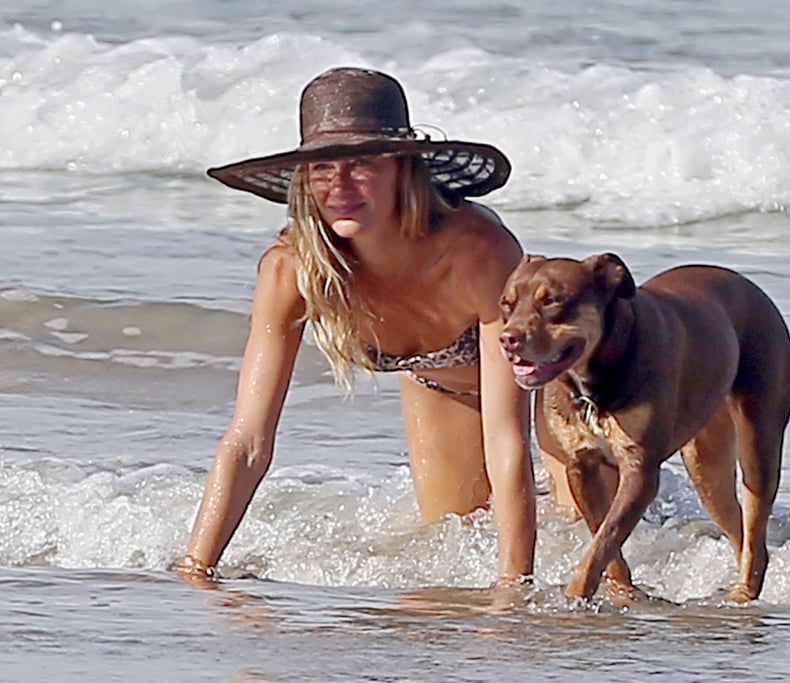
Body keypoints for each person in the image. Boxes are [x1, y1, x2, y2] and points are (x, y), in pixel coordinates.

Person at [174, 67, 536, 587]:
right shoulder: (292, 269)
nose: (338, 185)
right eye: (321, 168)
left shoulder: (477, 252)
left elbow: (508, 439)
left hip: (553, 385)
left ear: (402, 169)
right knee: (450, 552)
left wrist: (513, 589)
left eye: (361, 164)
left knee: (576, 540)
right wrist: (196, 567)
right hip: (440, 388)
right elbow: (249, 440)